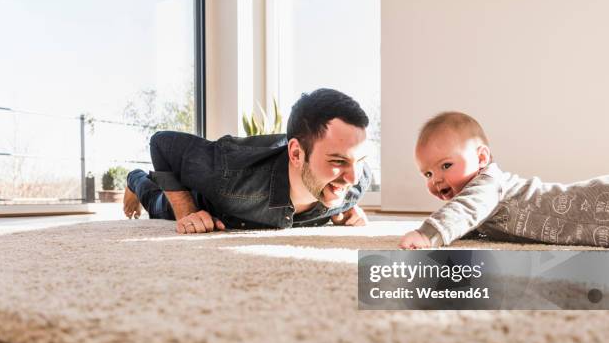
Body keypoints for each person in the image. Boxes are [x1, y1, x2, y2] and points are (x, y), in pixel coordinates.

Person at [124, 88, 372, 234]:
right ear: (296, 154)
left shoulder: (358, 181)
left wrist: (339, 208)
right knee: (156, 204)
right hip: (206, 198)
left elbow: (350, 179)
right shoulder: (228, 175)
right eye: (338, 161)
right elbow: (162, 143)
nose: (352, 177)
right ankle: (134, 179)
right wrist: (186, 212)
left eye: (358, 160)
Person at [399, 111, 609, 249]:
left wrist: (428, 235)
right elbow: (467, 220)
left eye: (446, 166)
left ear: (481, 158)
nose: (436, 179)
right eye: (428, 174)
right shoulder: (482, 198)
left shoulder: (489, 184)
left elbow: (466, 209)